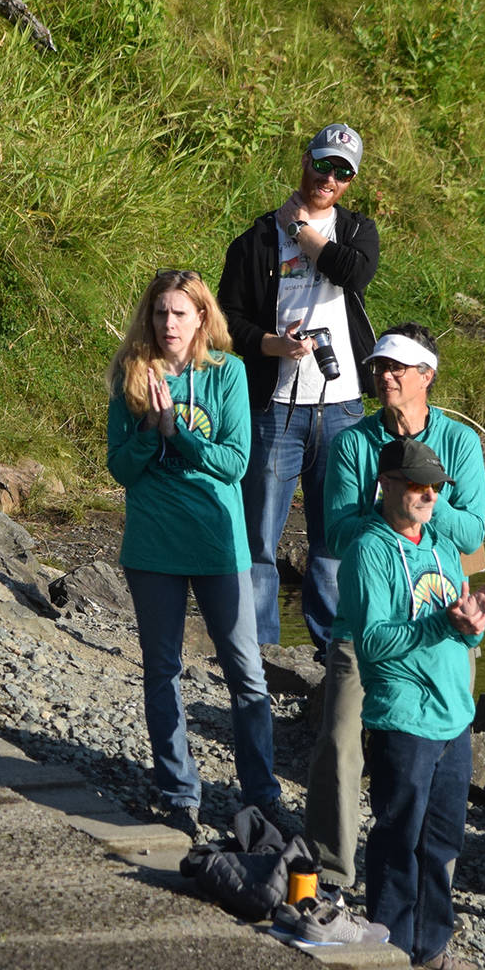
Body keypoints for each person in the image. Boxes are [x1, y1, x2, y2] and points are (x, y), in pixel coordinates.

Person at [308, 325, 485, 894]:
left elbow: (473, 533)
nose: (384, 376)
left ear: (426, 377)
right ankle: (332, 867)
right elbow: (336, 533)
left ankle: (434, 883)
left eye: (397, 369)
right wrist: (409, 508)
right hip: (365, 620)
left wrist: (415, 503)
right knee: (339, 742)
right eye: (379, 367)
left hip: (444, 624)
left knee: (442, 752)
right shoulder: (351, 443)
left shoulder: (460, 443)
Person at [103, 270, 279, 834]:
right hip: (153, 545)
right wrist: (151, 432)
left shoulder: (228, 374)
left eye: (180, 313)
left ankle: (261, 793)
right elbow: (120, 468)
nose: (168, 323)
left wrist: (178, 431)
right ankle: (180, 792)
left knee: (245, 672)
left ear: (203, 317)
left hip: (218, 544)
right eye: (159, 313)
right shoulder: (132, 373)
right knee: (162, 670)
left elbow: (235, 463)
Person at [339, 439, 485, 970]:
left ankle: (431, 945)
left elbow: (453, 626)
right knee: (397, 836)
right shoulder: (370, 549)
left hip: (453, 717)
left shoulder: (438, 544)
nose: (428, 494)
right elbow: (372, 641)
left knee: (442, 841)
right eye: (416, 484)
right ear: (386, 483)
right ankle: (390, 946)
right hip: (401, 719)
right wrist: (443, 624)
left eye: (434, 485)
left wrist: (474, 621)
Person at [216, 123, 379, 650]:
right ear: (304, 160)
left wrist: (307, 235)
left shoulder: (356, 232)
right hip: (274, 408)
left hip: (342, 408)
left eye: (342, 171)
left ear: (351, 181)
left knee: (333, 538)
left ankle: (331, 655)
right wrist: (271, 344)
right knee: (261, 539)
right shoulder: (258, 239)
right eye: (323, 163)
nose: (329, 177)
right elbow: (227, 319)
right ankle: (257, 653)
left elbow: (354, 274)